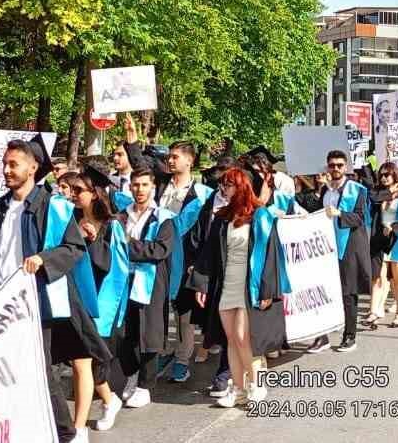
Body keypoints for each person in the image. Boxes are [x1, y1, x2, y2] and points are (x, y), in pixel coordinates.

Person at [0, 137, 94, 441]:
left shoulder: (50, 205)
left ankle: (65, 433)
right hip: (0, 300)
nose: (6, 170)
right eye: (4, 164)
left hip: (35, 302)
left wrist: (43, 258)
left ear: (32, 167)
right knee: (2, 369)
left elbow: (73, 248)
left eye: (13, 164)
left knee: (39, 369)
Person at [188, 168, 288, 408]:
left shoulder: (260, 216)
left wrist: (268, 290)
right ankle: (240, 389)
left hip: (249, 285)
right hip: (226, 285)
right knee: (231, 339)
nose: (224, 189)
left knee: (245, 337)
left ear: (242, 187)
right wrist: (201, 283)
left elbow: (272, 256)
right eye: (222, 185)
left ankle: (257, 384)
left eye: (229, 185)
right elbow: (209, 255)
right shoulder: (222, 218)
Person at [123, 117, 210, 384]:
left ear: (189, 161)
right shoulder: (161, 185)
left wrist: (198, 264)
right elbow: (140, 167)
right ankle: (158, 352)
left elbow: (202, 232)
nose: (170, 161)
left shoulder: (201, 194)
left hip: (185, 258)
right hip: (159, 257)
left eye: (175, 157)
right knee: (156, 308)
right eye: (169, 157)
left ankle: (182, 359)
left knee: (183, 313)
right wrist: (132, 139)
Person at [57, 170, 126, 435]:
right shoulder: (69, 219)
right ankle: (109, 400)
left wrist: (94, 241)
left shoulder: (111, 225)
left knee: (83, 362)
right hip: (73, 297)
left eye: (79, 191)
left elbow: (111, 268)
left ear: (95, 193)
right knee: (81, 361)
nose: (73, 195)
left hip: (99, 300)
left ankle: (78, 428)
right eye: (71, 190)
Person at [112, 168, 178, 409]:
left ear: (153, 187)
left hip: (150, 282)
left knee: (148, 334)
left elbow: (159, 250)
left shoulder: (164, 218)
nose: (139, 190)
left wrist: (129, 245)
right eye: (135, 185)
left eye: (144, 185)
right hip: (122, 281)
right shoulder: (121, 215)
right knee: (124, 333)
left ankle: (146, 385)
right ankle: (131, 374)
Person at [319, 149, 372, 351]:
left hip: (349, 245)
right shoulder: (325, 190)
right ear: (327, 167)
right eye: (332, 165)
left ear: (346, 167)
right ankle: (323, 334)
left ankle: (350, 336)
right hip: (327, 245)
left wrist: (340, 213)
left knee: (349, 292)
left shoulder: (356, 190)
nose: (336, 169)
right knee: (329, 290)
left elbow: (360, 218)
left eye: (340, 165)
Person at [367, 163, 398, 325]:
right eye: (381, 175)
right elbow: (373, 198)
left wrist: (394, 228)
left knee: (397, 278)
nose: (383, 178)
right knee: (378, 277)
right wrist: (389, 192)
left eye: (387, 175)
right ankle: (373, 311)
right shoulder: (378, 193)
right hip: (380, 240)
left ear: (395, 175)